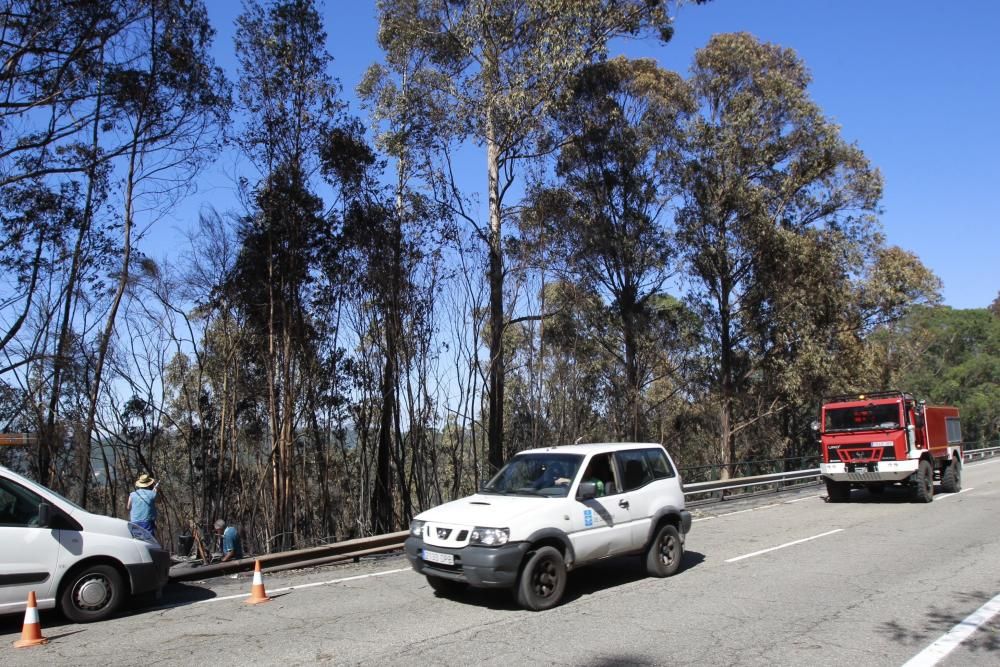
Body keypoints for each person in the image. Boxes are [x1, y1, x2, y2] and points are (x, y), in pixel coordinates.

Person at [127, 473, 159, 537]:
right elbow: (158, 501)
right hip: (147, 522)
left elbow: (128, 507)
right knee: (149, 542)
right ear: (149, 484)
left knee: (137, 541)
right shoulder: (152, 494)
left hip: (134, 522)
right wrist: (156, 492)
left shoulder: (132, 494)